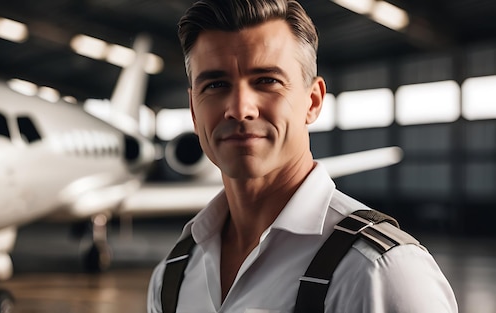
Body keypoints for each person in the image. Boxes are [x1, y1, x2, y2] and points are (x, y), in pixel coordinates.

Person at [147, 0, 458, 312]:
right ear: (193, 111)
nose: (240, 109)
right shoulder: (172, 275)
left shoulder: (383, 273)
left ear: (312, 101)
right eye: (215, 84)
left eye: (266, 81)